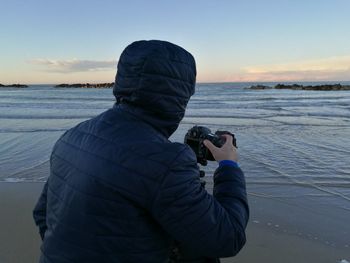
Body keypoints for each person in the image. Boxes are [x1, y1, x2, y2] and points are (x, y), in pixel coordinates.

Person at [33, 40, 249, 263]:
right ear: (180, 94)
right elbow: (228, 237)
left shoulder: (72, 137)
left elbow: (42, 214)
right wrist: (229, 166)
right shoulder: (167, 161)